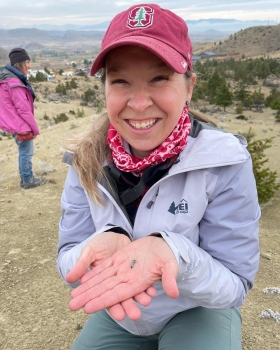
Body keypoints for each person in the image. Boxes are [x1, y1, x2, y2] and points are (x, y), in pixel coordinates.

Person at [56, 4, 260, 349]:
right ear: (104, 88)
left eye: (159, 78)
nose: (138, 103)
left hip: (197, 307)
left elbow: (235, 284)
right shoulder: (86, 160)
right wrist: (101, 245)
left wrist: (174, 254)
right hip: (120, 312)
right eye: (120, 80)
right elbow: (69, 258)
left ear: (189, 87)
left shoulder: (224, 162)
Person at [0, 48, 46, 189]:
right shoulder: (15, 83)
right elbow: (24, 110)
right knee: (26, 152)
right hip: (21, 125)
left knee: (23, 152)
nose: (30, 66)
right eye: (27, 62)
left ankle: (26, 177)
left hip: (13, 124)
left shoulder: (5, 79)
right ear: (19, 63)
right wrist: (35, 129)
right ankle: (28, 181)